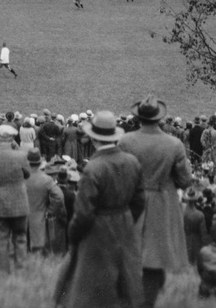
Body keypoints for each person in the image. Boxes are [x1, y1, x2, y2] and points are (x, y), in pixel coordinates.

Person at [54, 110, 144, 308]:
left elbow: (84, 212)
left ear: (94, 139)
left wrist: (74, 234)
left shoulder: (94, 167)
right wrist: (126, 219)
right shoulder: (132, 162)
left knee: (94, 284)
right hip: (125, 224)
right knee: (125, 278)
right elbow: (139, 202)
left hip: (98, 228)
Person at [118, 95, 194, 308]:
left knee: (131, 254)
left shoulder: (125, 141)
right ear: (160, 118)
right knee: (156, 259)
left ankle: (131, 299)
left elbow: (120, 174)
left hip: (131, 202)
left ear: (138, 117)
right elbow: (184, 180)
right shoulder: (174, 144)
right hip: (162, 203)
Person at [0, 124, 31, 273]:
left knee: (1, 239)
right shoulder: (21, 155)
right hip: (19, 201)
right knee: (20, 237)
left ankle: (4, 271)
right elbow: (27, 174)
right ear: (12, 139)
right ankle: (21, 269)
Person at [25, 147, 65, 254]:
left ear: (28, 162)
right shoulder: (46, 180)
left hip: (21, 218)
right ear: (39, 163)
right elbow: (59, 197)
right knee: (38, 252)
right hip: (39, 219)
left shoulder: (21, 178)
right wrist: (50, 210)